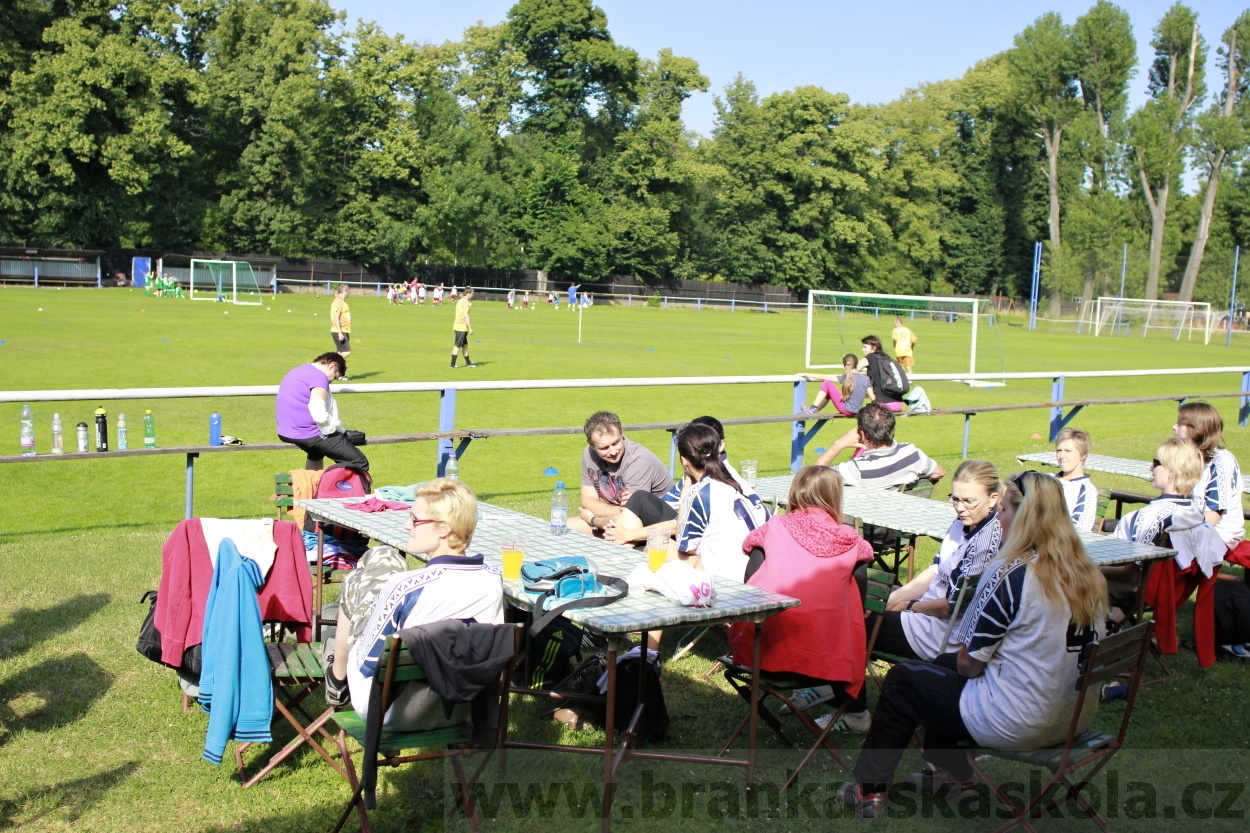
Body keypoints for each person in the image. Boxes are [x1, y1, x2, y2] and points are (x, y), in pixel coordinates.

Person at [841, 473, 1107, 818]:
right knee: (940, 669)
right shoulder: (1089, 573)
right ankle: (954, 776)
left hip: (1022, 720)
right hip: (1074, 716)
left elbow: (970, 665)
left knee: (906, 680)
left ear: (1025, 517)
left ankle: (868, 790)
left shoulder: (1014, 574)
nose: (1000, 518)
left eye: (1007, 510)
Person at [340, 479, 504, 731]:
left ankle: (335, 676)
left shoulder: (405, 586)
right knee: (383, 557)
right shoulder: (493, 579)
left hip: (390, 710)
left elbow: (367, 663)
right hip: (459, 708)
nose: (407, 526)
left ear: (443, 529)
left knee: (362, 577)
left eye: (415, 520)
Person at [728, 466, 874, 732]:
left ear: (795, 492)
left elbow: (750, 584)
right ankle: (844, 703)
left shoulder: (774, 527)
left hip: (759, 653)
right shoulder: (850, 541)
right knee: (849, 596)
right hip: (824, 660)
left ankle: (823, 693)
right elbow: (861, 578)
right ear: (834, 497)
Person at [864, 460, 1007, 664]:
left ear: (993, 499)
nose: (960, 508)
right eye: (955, 499)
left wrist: (908, 605)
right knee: (862, 604)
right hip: (924, 615)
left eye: (969, 501)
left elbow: (949, 607)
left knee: (855, 627)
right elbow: (935, 571)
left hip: (939, 634)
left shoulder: (985, 543)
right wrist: (889, 601)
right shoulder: (962, 523)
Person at [1109, 437, 1225, 665]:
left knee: (1067, 576)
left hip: (1137, 587)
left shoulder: (1148, 517)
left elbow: (1131, 571)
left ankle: (1090, 640)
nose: (1151, 467)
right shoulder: (1194, 516)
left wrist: (1087, 567)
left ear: (1170, 473)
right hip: (1165, 592)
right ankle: (1108, 628)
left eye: (1156, 462)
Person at [605, 415, 744, 547]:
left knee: (639, 501)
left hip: (698, 545)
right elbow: (667, 503)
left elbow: (683, 527)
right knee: (639, 503)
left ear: (721, 445)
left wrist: (629, 534)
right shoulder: (695, 475)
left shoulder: (716, 482)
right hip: (686, 534)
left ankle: (612, 554)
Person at [670, 422, 769, 582]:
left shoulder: (702, 491)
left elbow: (685, 546)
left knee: (661, 547)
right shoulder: (737, 480)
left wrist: (685, 494)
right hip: (759, 567)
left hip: (729, 577)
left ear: (684, 461)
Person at [569, 411, 673, 536]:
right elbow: (587, 502)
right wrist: (617, 511)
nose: (613, 452)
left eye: (616, 443)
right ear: (591, 445)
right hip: (618, 521)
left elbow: (631, 517)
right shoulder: (589, 454)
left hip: (654, 527)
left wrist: (593, 520)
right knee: (562, 527)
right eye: (604, 448)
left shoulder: (638, 461)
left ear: (622, 432)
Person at [813, 404, 945, 489]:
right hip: (903, 528)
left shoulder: (856, 470)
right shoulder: (913, 453)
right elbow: (939, 472)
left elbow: (809, 478)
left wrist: (838, 445)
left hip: (871, 530)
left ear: (862, 434)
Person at [275, 352, 369, 472]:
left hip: (285, 431)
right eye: (334, 376)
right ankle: (334, 488)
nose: (331, 382)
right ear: (332, 365)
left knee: (316, 453)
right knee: (359, 462)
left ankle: (313, 487)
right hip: (307, 433)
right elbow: (318, 412)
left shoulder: (298, 370)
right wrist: (337, 432)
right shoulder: (319, 377)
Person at [1174, 402, 1245, 551]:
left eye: (1180, 423)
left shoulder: (1221, 462)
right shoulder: (1189, 456)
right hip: (1190, 526)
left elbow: (1213, 516)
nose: (1174, 427)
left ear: (1197, 429)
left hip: (1218, 533)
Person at [1053, 427, 1099, 531]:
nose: (1062, 456)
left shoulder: (1086, 490)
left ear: (1083, 455)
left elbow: (1080, 529)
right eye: (1059, 450)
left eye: (1068, 451)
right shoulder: (1047, 479)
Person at [801, 354, 873, 417]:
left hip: (846, 410)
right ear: (857, 365)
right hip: (857, 411)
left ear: (843, 366)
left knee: (827, 383)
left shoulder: (845, 377)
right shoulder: (866, 379)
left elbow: (823, 377)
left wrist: (805, 374)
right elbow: (871, 396)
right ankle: (815, 410)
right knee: (829, 393)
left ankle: (812, 408)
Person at [859, 335, 906, 412]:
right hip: (899, 404)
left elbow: (855, 370)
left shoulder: (870, 357)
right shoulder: (886, 358)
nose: (862, 350)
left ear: (874, 348)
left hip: (883, 404)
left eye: (865, 347)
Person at [450, 287, 477, 369]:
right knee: (457, 346)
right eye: (472, 294)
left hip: (457, 326)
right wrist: (470, 328)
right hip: (461, 327)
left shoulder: (460, 301)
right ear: (468, 293)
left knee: (465, 345)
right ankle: (452, 364)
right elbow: (466, 316)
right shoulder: (465, 302)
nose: (472, 295)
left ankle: (469, 363)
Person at [329, 284, 351, 361]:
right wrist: (340, 333)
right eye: (348, 291)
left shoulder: (342, 301)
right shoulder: (337, 302)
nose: (349, 293)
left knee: (339, 352)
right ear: (345, 291)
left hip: (344, 330)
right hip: (338, 330)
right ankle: (329, 364)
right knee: (346, 352)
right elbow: (336, 317)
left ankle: (334, 370)